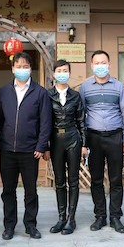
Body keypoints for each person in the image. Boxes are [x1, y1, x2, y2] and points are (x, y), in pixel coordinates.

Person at [0, 51, 52, 240]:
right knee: (8, 190)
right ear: (13, 68)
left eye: (25, 66)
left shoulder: (40, 92)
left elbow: (45, 122)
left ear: (31, 68)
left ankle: (30, 225)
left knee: (31, 191)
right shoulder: (4, 91)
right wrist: (0, 142)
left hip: (30, 151)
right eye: (18, 66)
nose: (22, 69)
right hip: (8, 150)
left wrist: (41, 146)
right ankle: (9, 226)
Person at [80, 50, 124, 234]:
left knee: (116, 179)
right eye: (97, 63)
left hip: (115, 137)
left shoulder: (118, 87)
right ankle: (100, 216)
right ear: (92, 66)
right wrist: (84, 143)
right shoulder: (85, 88)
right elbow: (81, 116)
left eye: (104, 62)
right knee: (96, 179)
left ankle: (115, 217)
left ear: (109, 64)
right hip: (94, 138)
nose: (100, 66)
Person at [47, 60, 87, 235]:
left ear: (69, 73)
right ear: (54, 74)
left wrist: (84, 144)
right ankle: (61, 217)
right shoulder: (48, 95)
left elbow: (81, 121)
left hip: (73, 138)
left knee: (73, 180)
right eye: (59, 71)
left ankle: (71, 218)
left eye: (65, 71)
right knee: (59, 181)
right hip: (56, 139)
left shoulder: (75, 96)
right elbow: (45, 121)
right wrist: (45, 145)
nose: (62, 73)